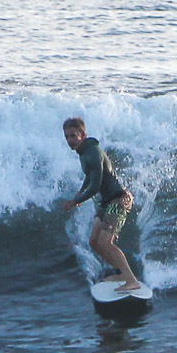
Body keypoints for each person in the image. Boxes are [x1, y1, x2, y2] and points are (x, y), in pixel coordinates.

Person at [60, 117, 141, 292]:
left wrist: (75, 201)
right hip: (106, 202)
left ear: (83, 135)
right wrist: (81, 191)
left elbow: (95, 186)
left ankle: (131, 280)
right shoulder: (83, 152)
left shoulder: (93, 153)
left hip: (119, 199)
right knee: (94, 242)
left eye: (73, 136)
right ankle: (121, 274)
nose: (69, 140)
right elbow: (90, 176)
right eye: (66, 136)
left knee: (105, 242)